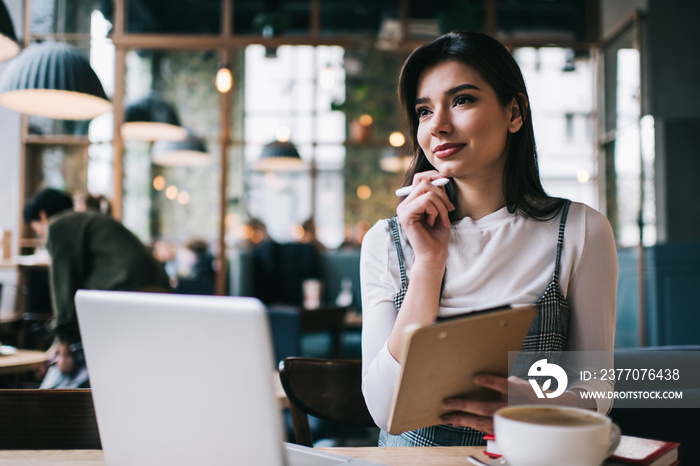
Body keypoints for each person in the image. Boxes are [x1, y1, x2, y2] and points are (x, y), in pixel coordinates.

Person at [360, 30, 617, 447]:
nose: (439, 126)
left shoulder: (581, 230)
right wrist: (428, 263)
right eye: (424, 111)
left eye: (461, 100)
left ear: (514, 113)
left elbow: (597, 391)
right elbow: (385, 410)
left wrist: (537, 402)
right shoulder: (386, 241)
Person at [23, 188, 172, 387]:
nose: (40, 235)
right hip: (157, 301)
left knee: (56, 385)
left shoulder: (58, 225)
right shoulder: (90, 221)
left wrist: (64, 349)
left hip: (125, 304)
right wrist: (59, 344)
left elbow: (64, 290)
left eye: (36, 229)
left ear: (42, 216)